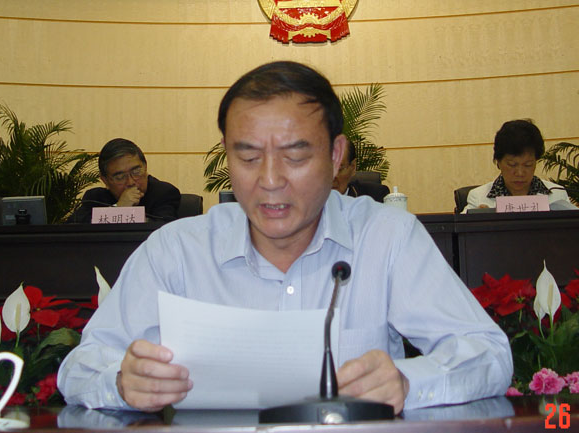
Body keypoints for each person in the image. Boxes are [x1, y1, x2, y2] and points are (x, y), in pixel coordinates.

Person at [58, 61, 512, 414]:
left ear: (335, 155)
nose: (270, 180)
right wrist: (122, 384)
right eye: (248, 157)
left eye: (295, 156)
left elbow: (488, 355)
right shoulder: (175, 252)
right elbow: (81, 367)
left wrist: (409, 382)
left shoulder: (387, 237)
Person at [463, 120, 569, 212]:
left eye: (528, 165)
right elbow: (459, 227)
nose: (520, 173)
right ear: (498, 162)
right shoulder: (479, 197)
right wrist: (476, 221)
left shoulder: (557, 195)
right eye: (512, 165)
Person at [70, 138, 182, 223]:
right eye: (120, 177)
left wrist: (123, 213)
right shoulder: (95, 198)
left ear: (145, 167)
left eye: (136, 171)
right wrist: (118, 208)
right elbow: (72, 231)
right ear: (105, 180)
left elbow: (165, 230)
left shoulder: (163, 193)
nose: (131, 182)